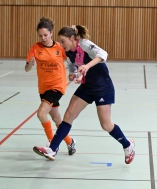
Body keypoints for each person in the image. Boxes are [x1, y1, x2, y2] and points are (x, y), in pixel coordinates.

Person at [33, 25, 135, 164]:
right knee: (68, 115)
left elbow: (103, 54)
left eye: (63, 41)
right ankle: (52, 149)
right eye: (60, 42)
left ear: (72, 38)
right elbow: (72, 66)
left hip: (102, 87)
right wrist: (74, 74)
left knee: (106, 125)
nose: (61, 45)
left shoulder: (84, 44)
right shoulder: (69, 52)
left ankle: (127, 144)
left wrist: (87, 66)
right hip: (87, 87)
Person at [25, 17, 76, 155]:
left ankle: (52, 146)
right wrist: (30, 63)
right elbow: (27, 69)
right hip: (43, 88)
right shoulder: (35, 48)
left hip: (57, 86)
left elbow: (71, 59)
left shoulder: (59, 47)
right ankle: (70, 142)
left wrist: (73, 71)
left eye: (45, 35)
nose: (43, 38)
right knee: (57, 119)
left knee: (41, 114)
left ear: (51, 33)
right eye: (40, 35)